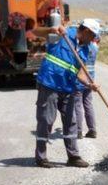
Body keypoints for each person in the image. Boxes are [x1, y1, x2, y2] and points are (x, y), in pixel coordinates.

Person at [32, 18, 101, 168]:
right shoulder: (62, 34)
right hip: (50, 84)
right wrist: (51, 30)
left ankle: (73, 157)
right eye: (93, 35)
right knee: (46, 120)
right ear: (86, 31)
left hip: (68, 88)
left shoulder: (86, 48)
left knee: (71, 123)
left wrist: (90, 84)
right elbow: (35, 32)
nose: (94, 39)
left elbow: (80, 73)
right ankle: (41, 157)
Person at [74, 34, 100, 138]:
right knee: (88, 105)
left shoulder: (81, 48)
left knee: (78, 105)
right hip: (90, 79)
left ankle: (78, 131)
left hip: (80, 80)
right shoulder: (94, 48)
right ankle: (92, 130)